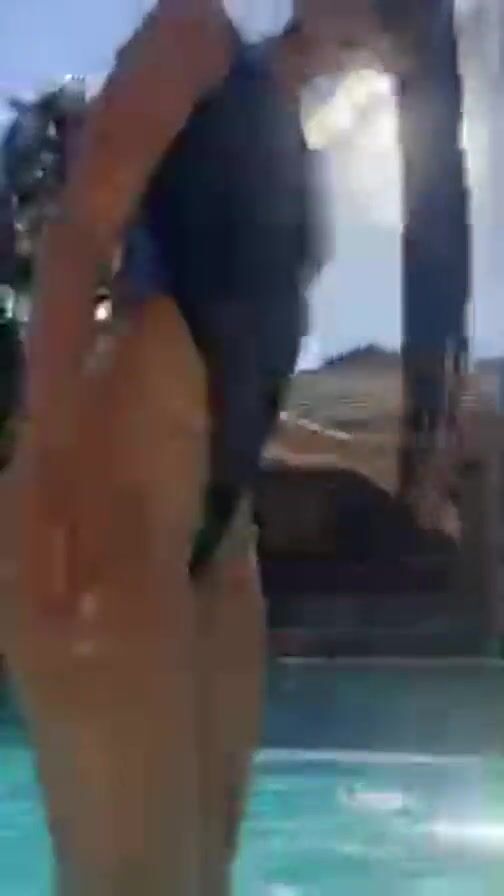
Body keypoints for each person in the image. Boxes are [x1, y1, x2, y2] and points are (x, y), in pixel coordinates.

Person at [7, 2, 388, 894]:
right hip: (121, 486)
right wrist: (41, 477)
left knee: (201, 876)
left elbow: (242, 378)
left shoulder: (299, 159)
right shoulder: (197, 38)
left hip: (221, 535)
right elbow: (78, 240)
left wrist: (368, 459)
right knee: (131, 877)